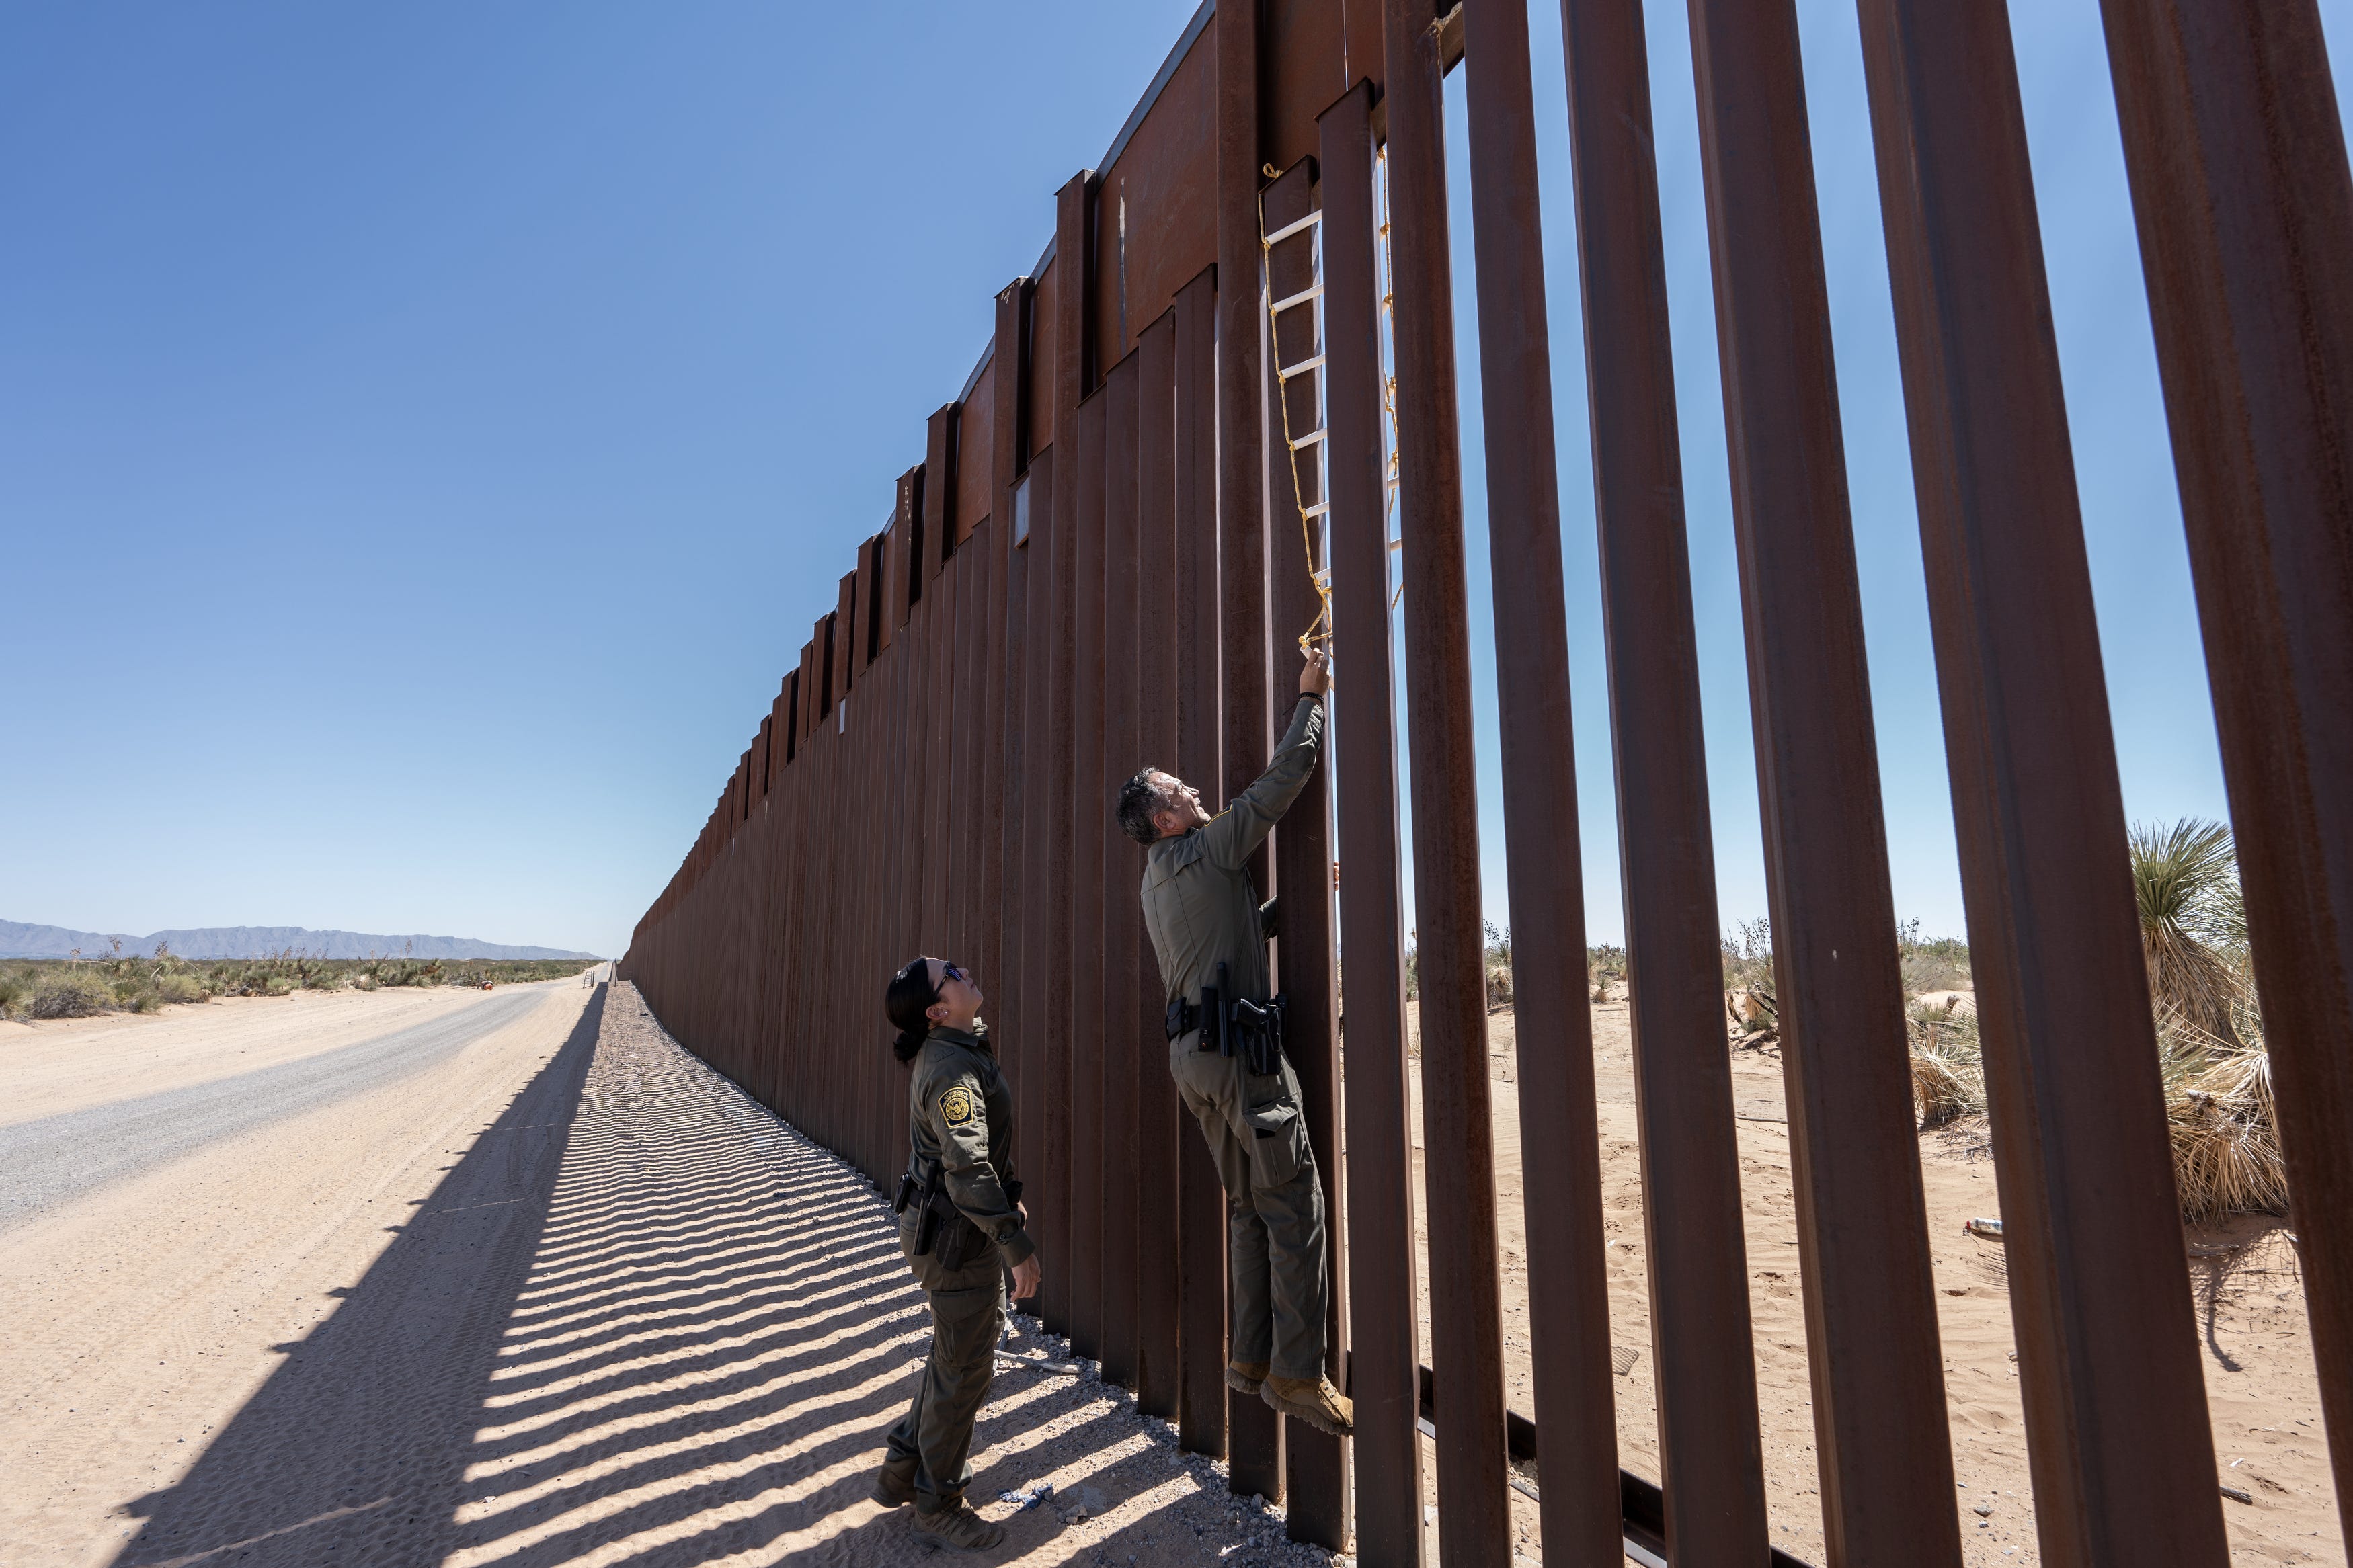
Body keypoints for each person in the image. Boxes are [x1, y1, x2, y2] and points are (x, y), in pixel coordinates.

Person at [1117, 647, 1352, 1437]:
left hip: (1192, 1060)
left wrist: (1288, 907)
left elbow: (1224, 936)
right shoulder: (1211, 844)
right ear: (1164, 817)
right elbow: (1278, 784)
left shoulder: (1158, 879)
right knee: (1296, 1206)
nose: (1194, 788)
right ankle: (1297, 1374)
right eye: (1178, 788)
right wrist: (1309, 697)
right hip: (1241, 1052)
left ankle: (1248, 1360)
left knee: (1249, 1207)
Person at [871, 956, 1042, 1551]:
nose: (966, 970)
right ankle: (938, 1499)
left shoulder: (962, 1049)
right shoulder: (950, 1069)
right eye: (952, 973)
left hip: (955, 1231)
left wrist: (1007, 1205)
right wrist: (1015, 1243)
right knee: (964, 1368)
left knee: (955, 1357)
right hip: (954, 1240)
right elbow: (968, 1168)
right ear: (938, 1010)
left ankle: (902, 1470)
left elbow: (983, 1153)